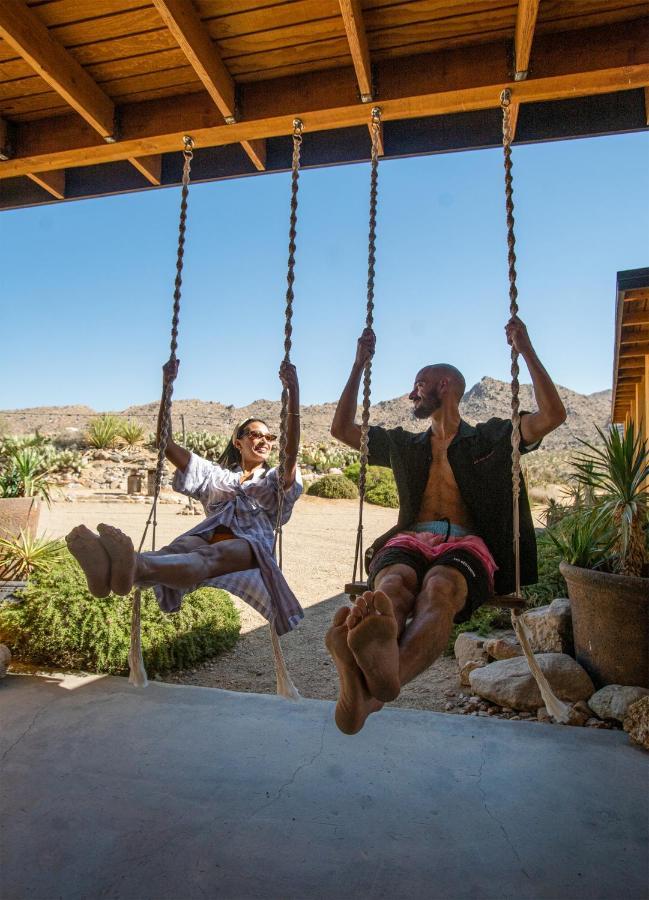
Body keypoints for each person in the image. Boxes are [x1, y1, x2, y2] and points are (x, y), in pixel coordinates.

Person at [326, 317, 566, 734]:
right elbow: (341, 429)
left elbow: (552, 414)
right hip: (409, 538)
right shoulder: (404, 443)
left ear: (444, 387)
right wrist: (357, 364)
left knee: (440, 587)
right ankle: (376, 674)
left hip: (467, 544)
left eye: (419, 384)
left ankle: (372, 685)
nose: (410, 393)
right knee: (392, 586)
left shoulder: (494, 437)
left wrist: (525, 348)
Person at [66, 359, 303, 636]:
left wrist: (293, 391)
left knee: (209, 556)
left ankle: (131, 563)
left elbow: (291, 452)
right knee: (176, 550)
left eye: (269, 436)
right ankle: (110, 570)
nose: (264, 441)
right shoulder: (216, 476)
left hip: (250, 546)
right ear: (238, 442)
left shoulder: (272, 479)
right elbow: (165, 444)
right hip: (207, 533)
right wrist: (167, 387)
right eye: (255, 434)